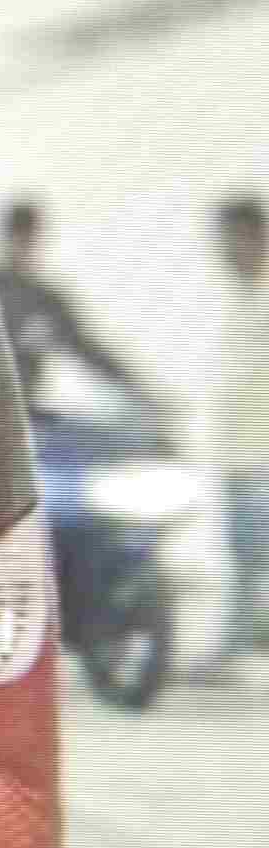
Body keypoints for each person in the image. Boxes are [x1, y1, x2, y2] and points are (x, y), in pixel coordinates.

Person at [0, 199, 142, 409]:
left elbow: (87, 348)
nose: (25, 245)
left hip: (22, 409)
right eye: (19, 236)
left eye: (30, 237)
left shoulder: (45, 299)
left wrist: (138, 389)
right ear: (6, 237)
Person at [211, 191, 269, 662]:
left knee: (253, 552)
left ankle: (236, 644)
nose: (226, 249)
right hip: (237, 453)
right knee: (245, 553)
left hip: (262, 453)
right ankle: (242, 640)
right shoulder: (235, 301)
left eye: (233, 239)